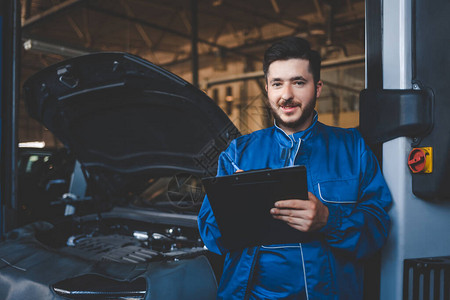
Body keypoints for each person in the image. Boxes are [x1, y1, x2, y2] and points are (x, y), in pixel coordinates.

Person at [198, 36, 392, 300]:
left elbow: (378, 227)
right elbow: (210, 232)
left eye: (298, 82)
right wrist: (236, 206)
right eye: (277, 84)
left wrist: (329, 220)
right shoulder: (238, 153)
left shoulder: (352, 148)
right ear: (267, 89)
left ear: (318, 87)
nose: (286, 95)